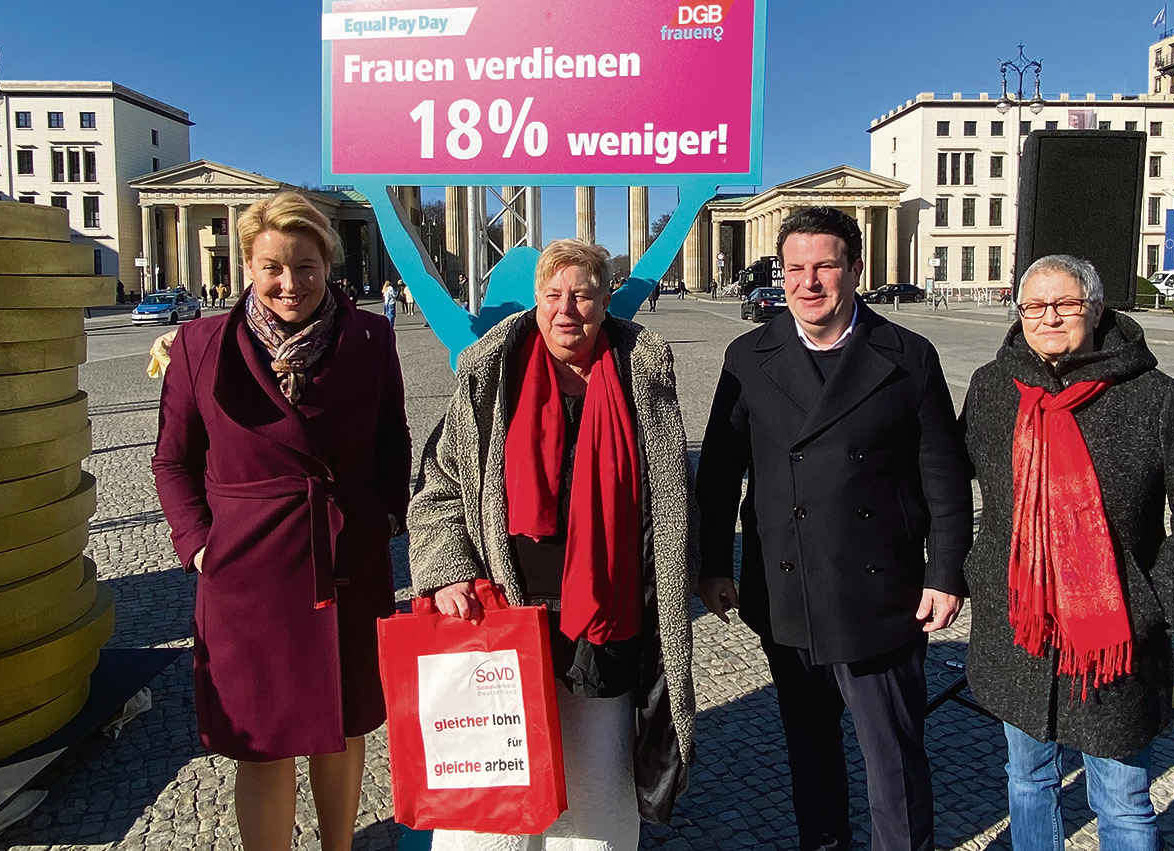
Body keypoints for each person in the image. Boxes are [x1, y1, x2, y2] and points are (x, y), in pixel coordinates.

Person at [696, 206, 973, 851]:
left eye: (824, 266)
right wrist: (711, 564)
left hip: (881, 589)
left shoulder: (908, 355)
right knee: (810, 749)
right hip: (786, 585)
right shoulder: (748, 356)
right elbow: (719, 471)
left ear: (855, 269)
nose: (808, 282)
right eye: (794, 268)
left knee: (893, 757)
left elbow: (943, 475)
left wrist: (945, 572)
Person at [407, 238, 697, 850]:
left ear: (606, 301)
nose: (567, 309)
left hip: (607, 619)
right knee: (496, 808)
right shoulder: (493, 377)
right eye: (553, 295)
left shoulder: (640, 375)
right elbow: (439, 487)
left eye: (583, 295)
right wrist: (449, 569)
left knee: (596, 797)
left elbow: (673, 499)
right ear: (536, 302)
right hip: (503, 615)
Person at [152, 190, 411, 851]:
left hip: (345, 561)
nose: (290, 283)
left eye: (305, 266)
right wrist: (199, 544)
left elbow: (393, 438)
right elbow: (173, 459)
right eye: (272, 267)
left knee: (342, 728)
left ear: (328, 264)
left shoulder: (371, 338)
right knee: (261, 743)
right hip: (246, 572)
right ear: (247, 265)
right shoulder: (200, 345)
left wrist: (385, 516)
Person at [959, 254, 1174, 851]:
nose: (1049, 318)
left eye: (1065, 304)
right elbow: (950, 483)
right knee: (1028, 780)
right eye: (1035, 306)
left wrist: (1153, 603)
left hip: (1113, 635)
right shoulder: (992, 387)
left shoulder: (1152, 396)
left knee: (1122, 799)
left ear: (1095, 308)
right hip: (1021, 630)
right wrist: (975, 571)